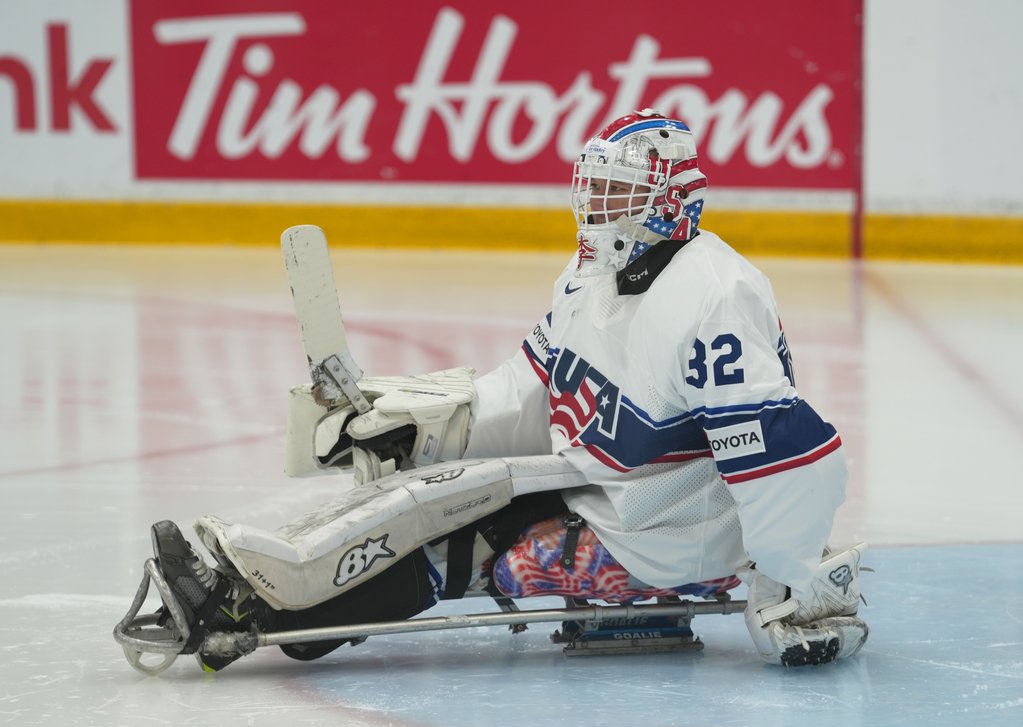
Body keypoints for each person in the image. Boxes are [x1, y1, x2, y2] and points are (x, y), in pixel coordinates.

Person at [140, 109, 869, 672]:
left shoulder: (715, 299)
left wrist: (789, 573)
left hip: (674, 533)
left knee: (468, 546)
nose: (596, 208)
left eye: (617, 193)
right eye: (594, 189)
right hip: (605, 485)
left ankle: (245, 616)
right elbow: (534, 385)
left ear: (673, 201)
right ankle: (251, 593)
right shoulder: (591, 278)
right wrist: (430, 434)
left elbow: (782, 456)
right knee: (433, 492)